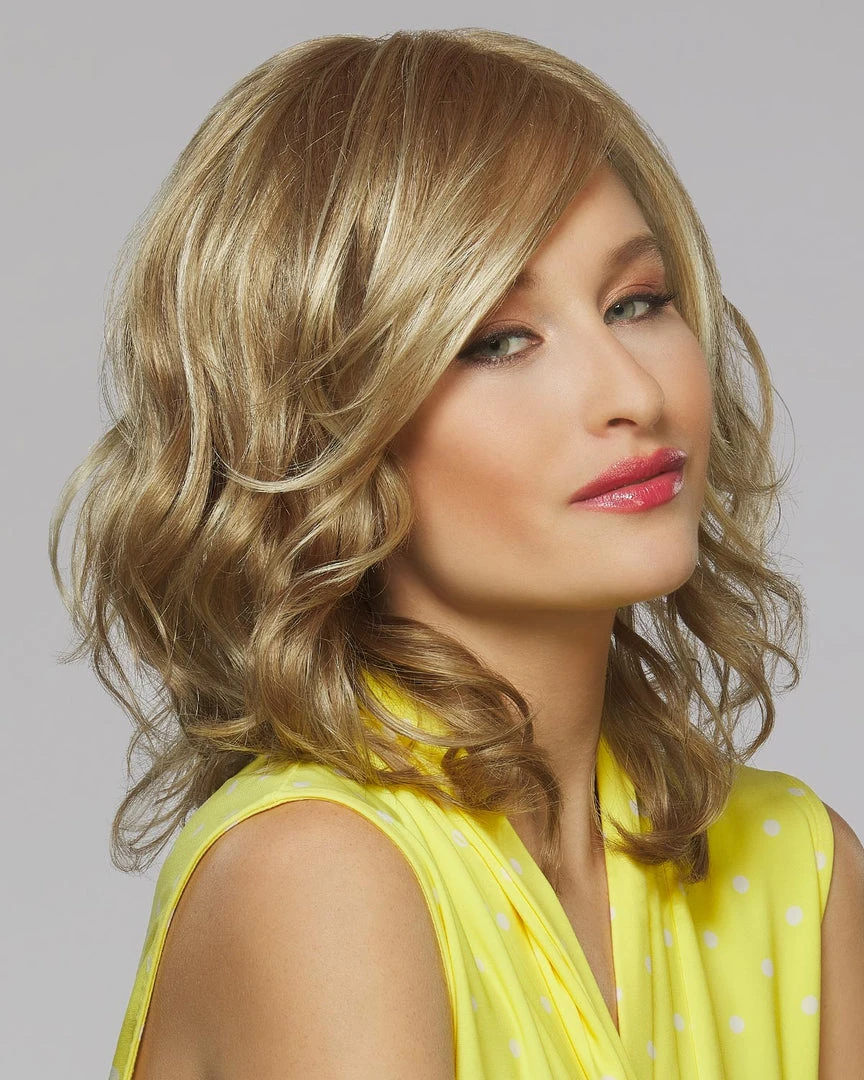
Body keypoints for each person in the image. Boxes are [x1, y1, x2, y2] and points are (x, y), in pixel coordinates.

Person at [49, 26, 863, 1080]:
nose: (633, 392)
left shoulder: (800, 870)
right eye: (497, 340)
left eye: (637, 302)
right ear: (320, 430)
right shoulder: (321, 878)